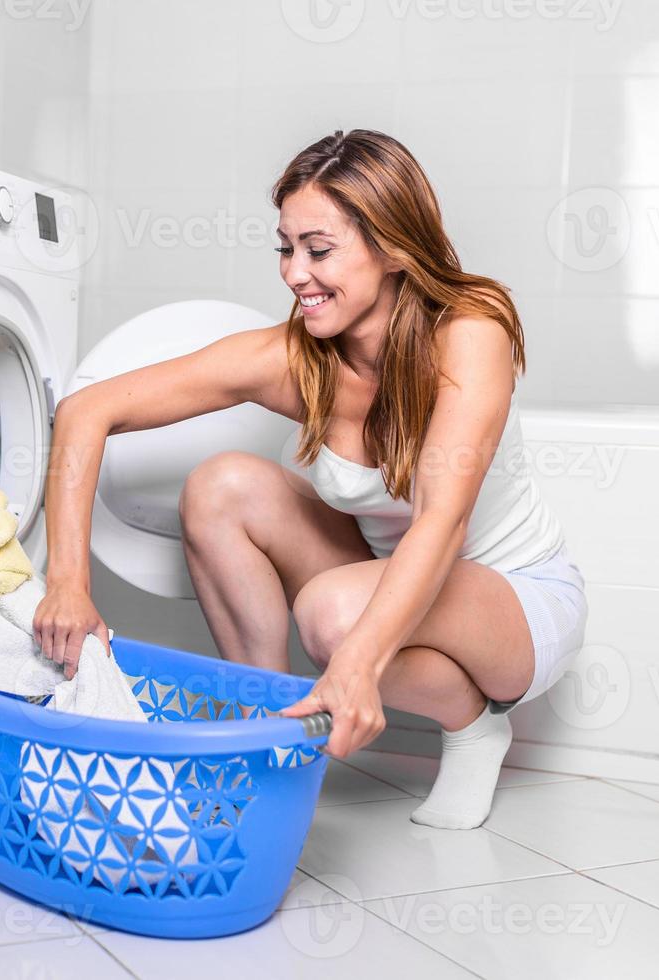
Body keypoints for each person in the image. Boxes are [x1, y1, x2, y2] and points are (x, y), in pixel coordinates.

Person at [32, 130, 587, 830]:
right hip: (385, 581)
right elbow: (88, 411)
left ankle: (475, 724)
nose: (296, 274)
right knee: (219, 487)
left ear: (391, 247)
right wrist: (68, 585)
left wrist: (354, 664)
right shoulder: (296, 358)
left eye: (318, 250)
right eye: (286, 249)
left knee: (331, 612)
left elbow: (442, 523)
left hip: (517, 601)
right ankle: (263, 740)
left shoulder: (469, 334)